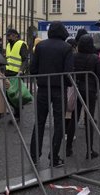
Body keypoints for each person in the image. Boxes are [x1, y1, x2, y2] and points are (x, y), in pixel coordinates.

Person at [29, 21, 73, 167]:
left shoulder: (40, 46)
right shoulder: (66, 47)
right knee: (59, 122)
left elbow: (33, 68)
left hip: (43, 88)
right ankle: (54, 157)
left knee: (40, 121)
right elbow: (68, 72)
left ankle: (34, 155)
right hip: (59, 88)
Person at [66, 34, 100, 159]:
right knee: (89, 119)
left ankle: (68, 148)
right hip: (90, 90)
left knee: (74, 118)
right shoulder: (94, 58)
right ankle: (89, 150)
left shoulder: (75, 56)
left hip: (77, 88)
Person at [4, 28, 28, 122]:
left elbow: (25, 59)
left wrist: (21, 70)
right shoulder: (8, 45)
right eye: (7, 35)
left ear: (15, 35)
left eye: (9, 35)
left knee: (14, 95)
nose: (7, 37)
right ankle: (18, 109)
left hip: (17, 73)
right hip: (8, 73)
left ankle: (17, 115)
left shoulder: (21, 44)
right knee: (8, 95)